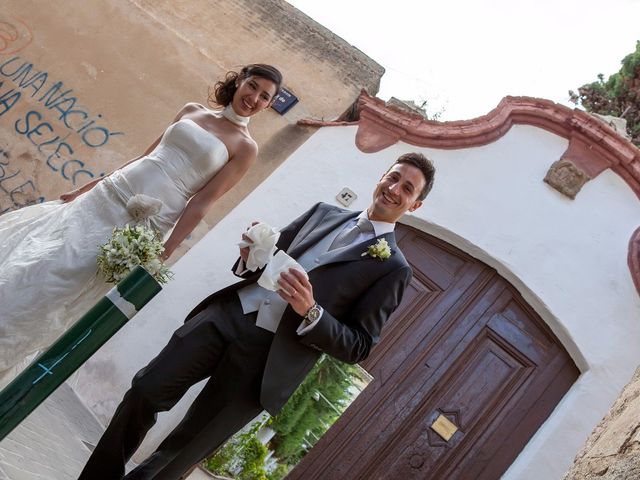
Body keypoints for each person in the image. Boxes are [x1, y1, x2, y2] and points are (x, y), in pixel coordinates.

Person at [80, 152, 436, 479]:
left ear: (415, 204)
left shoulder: (393, 268)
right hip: (229, 315)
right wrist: (250, 253)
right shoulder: (322, 212)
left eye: (407, 189)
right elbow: (268, 258)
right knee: (145, 390)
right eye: (393, 178)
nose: (394, 189)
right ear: (380, 177)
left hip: (267, 361)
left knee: (183, 450)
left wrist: (311, 312)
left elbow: (358, 346)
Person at [0, 63, 283, 387]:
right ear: (240, 81)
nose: (254, 98)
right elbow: (143, 157)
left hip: (142, 222)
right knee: (40, 259)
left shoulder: (246, 148)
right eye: (253, 86)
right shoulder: (192, 110)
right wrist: (86, 187)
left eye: (265, 97)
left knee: (59, 283)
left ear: (268, 105)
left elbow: (202, 202)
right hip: (107, 196)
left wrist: (166, 250)